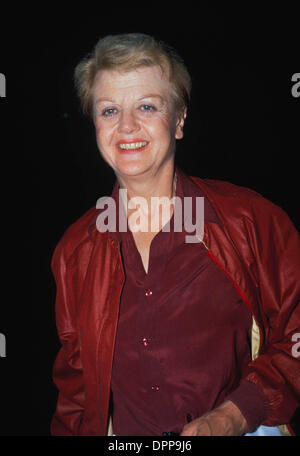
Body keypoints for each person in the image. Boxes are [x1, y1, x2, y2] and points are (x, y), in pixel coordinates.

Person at [50, 33, 300, 436]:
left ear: (179, 120)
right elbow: (76, 394)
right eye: (109, 110)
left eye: (147, 106)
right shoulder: (74, 252)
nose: (126, 126)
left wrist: (233, 415)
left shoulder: (251, 221)